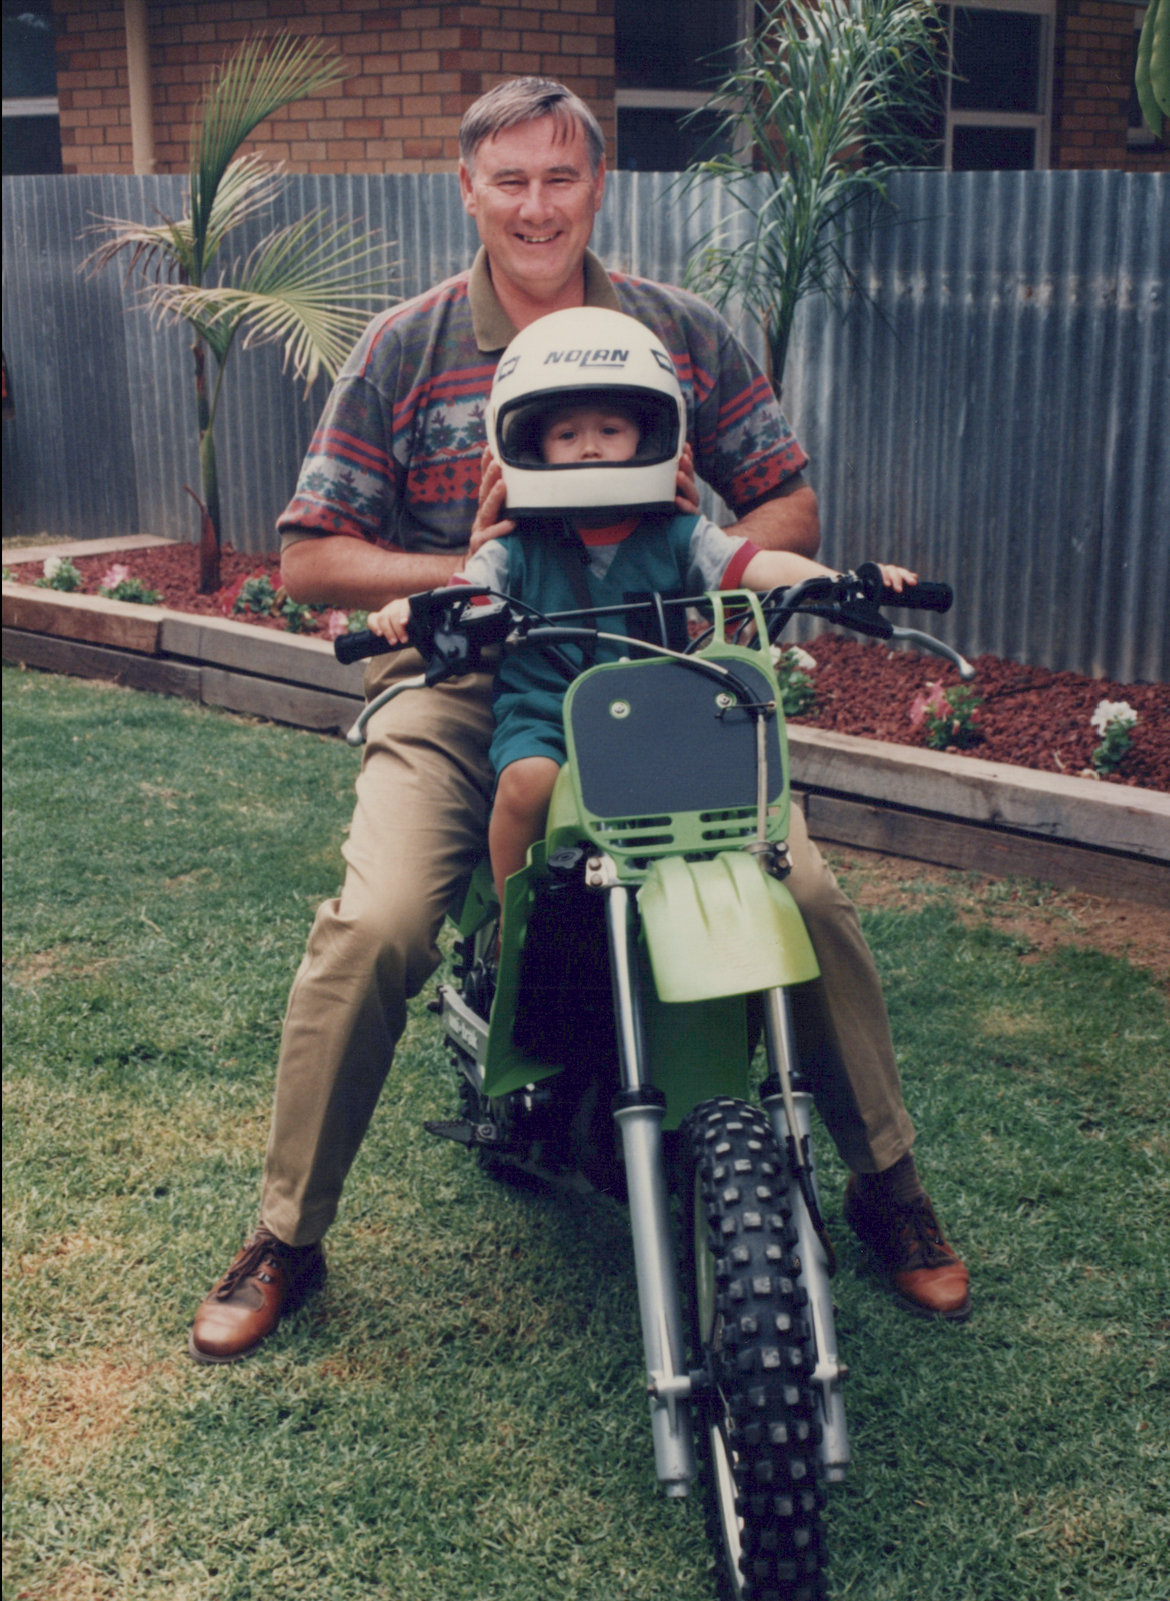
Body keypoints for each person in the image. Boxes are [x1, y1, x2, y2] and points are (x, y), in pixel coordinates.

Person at [187, 77, 970, 1367]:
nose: (537, 205)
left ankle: (887, 1184)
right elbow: (311, 560)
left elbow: (785, 515)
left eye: (561, 177)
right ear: (468, 190)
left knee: (808, 896)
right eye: (510, 179)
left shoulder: (680, 329)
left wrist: (695, 543)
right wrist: (460, 574)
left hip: (654, 676)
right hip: (465, 681)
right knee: (378, 924)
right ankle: (287, 1233)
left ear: (597, 186)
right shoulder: (405, 343)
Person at [364, 309, 919, 913]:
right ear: (531, 445)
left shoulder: (680, 535)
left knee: (731, 817)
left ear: (650, 435)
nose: (590, 448)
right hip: (546, 712)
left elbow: (759, 564)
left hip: (661, 713)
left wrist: (840, 581)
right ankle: (514, 924)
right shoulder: (512, 546)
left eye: (611, 429)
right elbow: (466, 592)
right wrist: (408, 611)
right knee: (527, 784)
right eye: (566, 435)